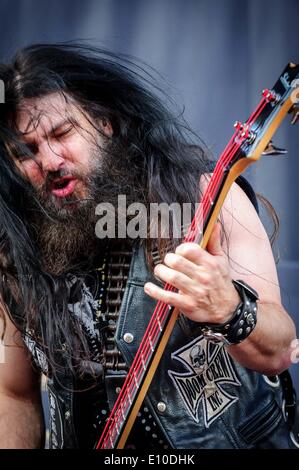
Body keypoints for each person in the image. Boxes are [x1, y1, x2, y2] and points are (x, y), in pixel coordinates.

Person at [0, 44, 297, 449]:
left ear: (104, 122)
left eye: (62, 133)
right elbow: (13, 392)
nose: (50, 160)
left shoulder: (204, 199)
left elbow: (279, 349)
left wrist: (230, 309)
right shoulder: (15, 250)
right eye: (27, 152)